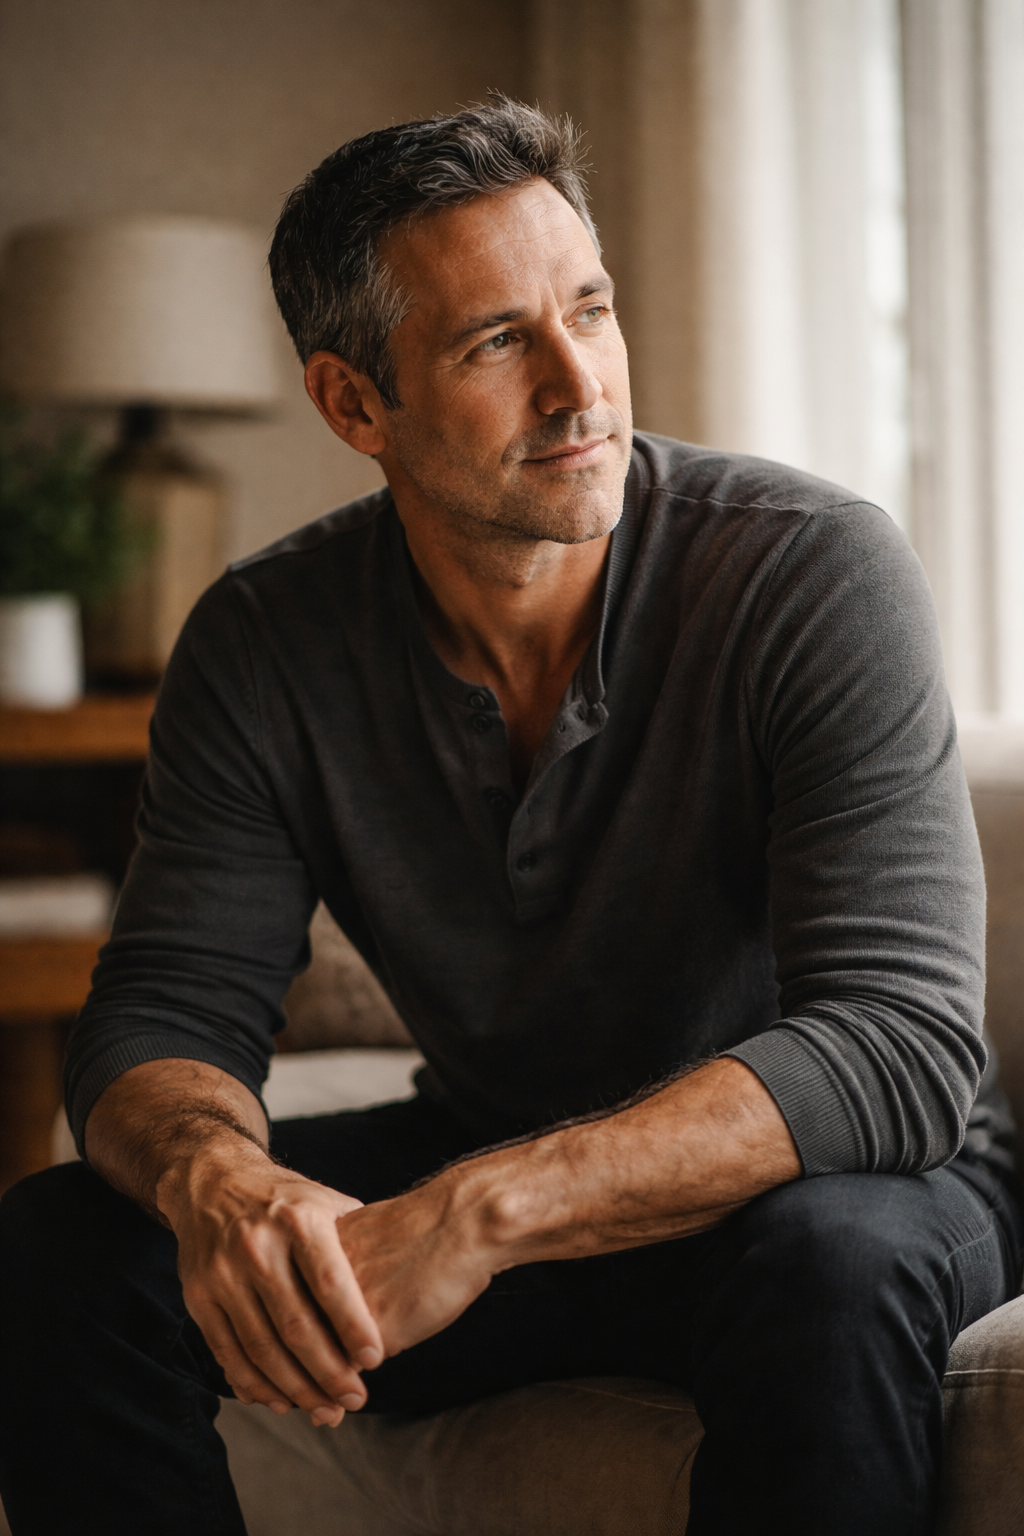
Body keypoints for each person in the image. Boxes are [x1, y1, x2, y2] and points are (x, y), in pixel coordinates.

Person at [0, 96, 1019, 1536]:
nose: (580, 382)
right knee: (59, 1245)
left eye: (590, 310)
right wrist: (217, 1177)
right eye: (495, 341)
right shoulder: (264, 640)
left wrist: (477, 1215)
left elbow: (903, 1048)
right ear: (355, 403)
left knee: (831, 1268)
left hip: (837, 1187)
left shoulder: (810, 572)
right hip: (510, 1157)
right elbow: (162, 1010)